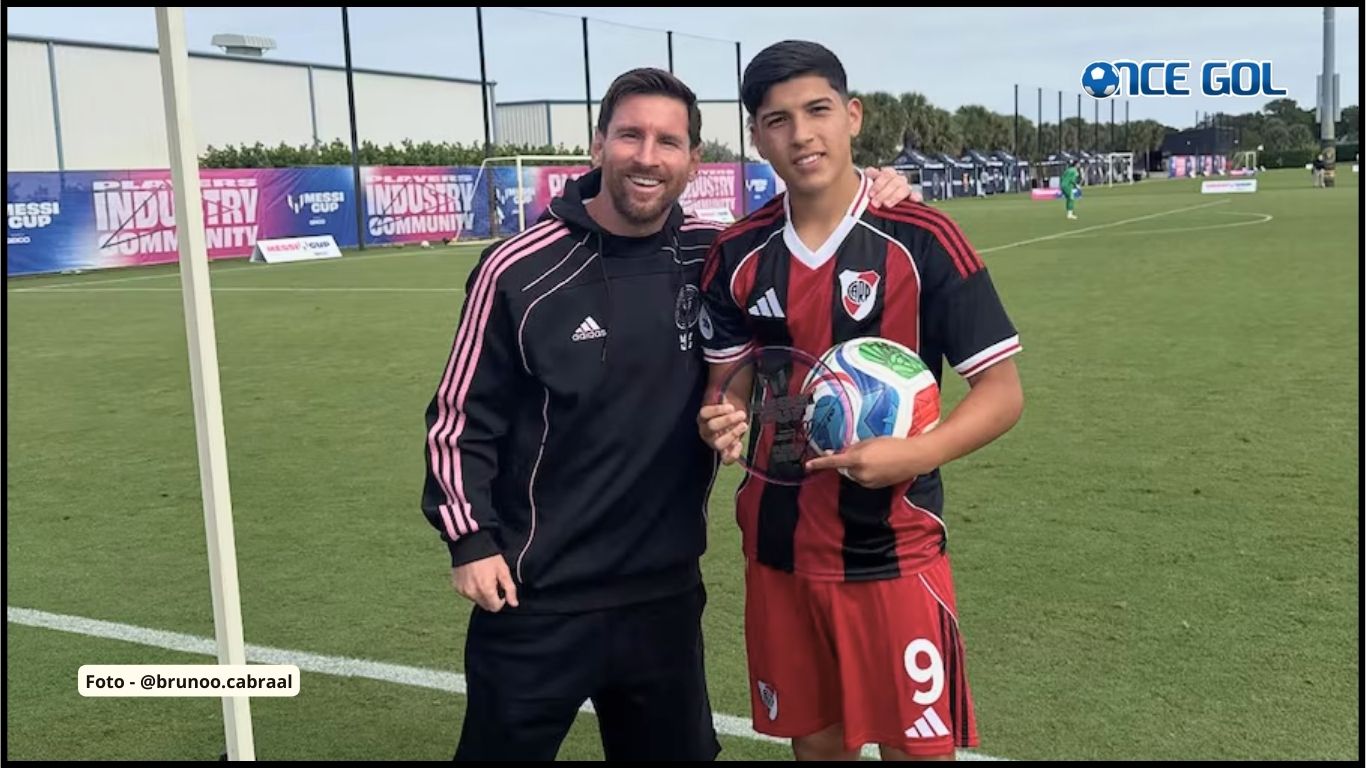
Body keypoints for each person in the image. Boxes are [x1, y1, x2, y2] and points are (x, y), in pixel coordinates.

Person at [420, 66, 915, 761]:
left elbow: (814, 227)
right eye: (630, 136)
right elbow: (460, 418)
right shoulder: (517, 269)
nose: (647, 157)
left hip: (664, 596)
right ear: (598, 145)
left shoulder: (715, 254)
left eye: (668, 141)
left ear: (694, 160)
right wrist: (470, 541)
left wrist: (880, 188)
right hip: (537, 596)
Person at [697, 41, 1025, 761]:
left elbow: (1002, 393)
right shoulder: (738, 252)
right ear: (756, 136)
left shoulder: (923, 239)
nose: (801, 134)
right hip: (778, 547)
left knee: (917, 751)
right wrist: (722, 416)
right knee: (817, 747)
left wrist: (918, 452)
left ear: (852, 116)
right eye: (778, 120)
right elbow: (731, 385)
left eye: (817, 111)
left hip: (893, 549)